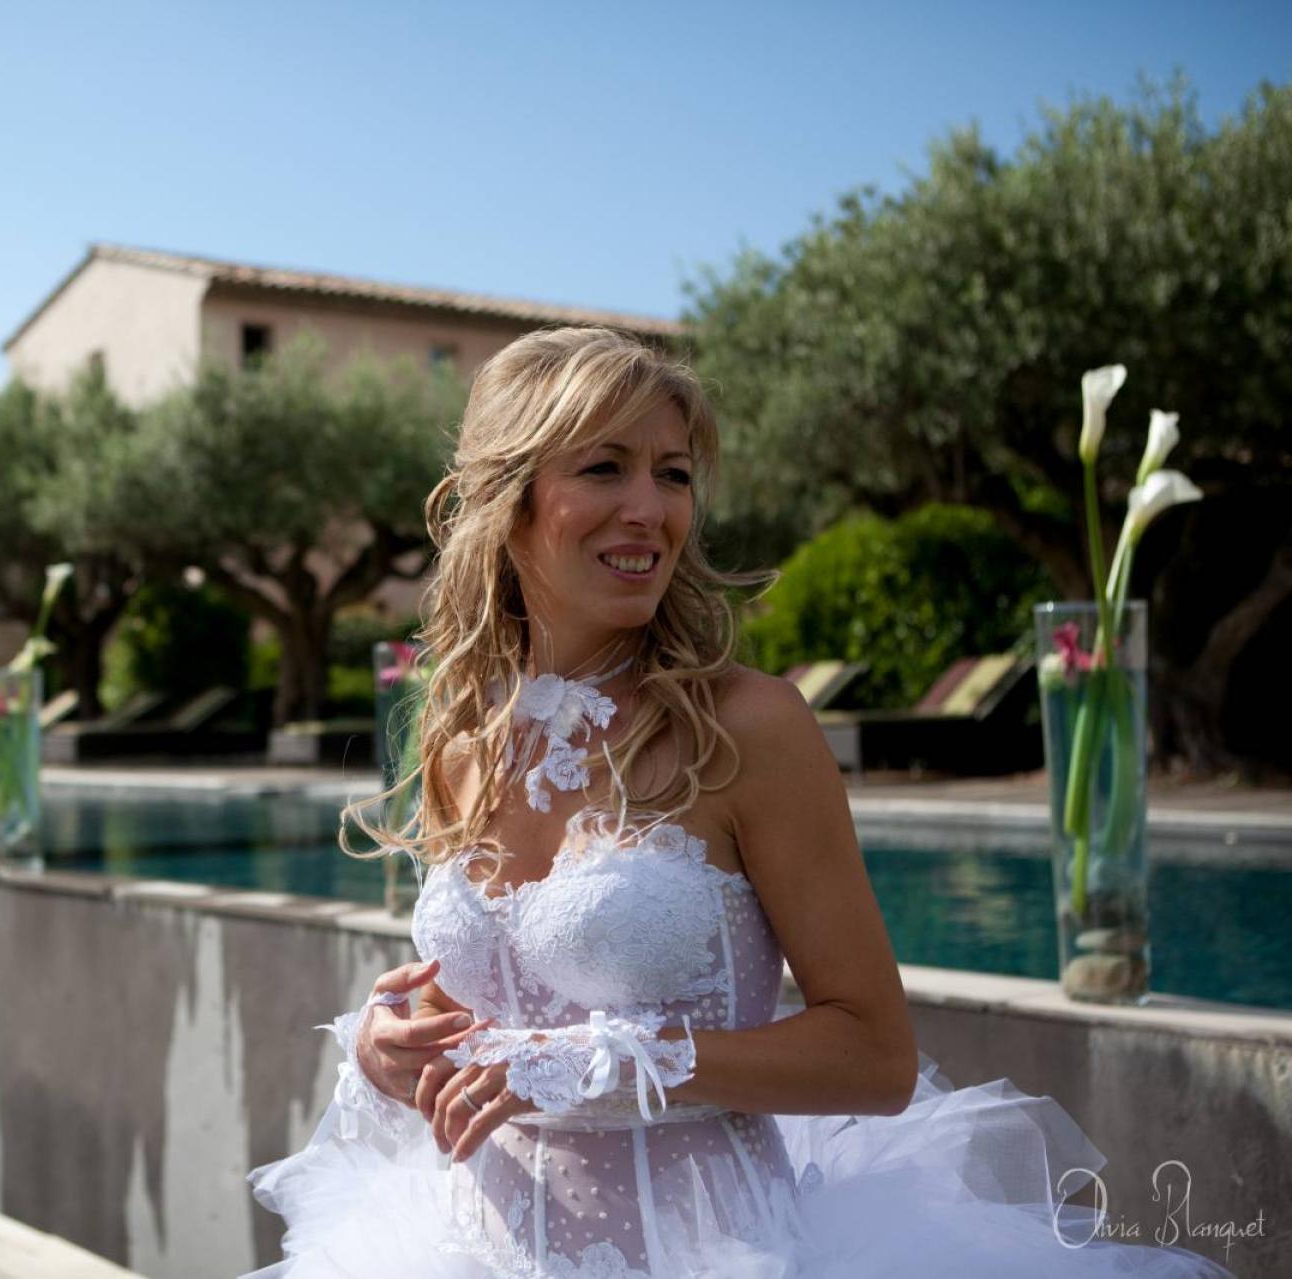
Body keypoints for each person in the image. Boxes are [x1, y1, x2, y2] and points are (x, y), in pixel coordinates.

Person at [245, 328, 1230, 1277]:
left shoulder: (751, 727)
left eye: (673, 474)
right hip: (458, 1247)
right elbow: (494, 1000)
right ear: (509, 498)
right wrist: (392, 1044)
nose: (650, 508)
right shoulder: (460, 733)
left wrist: (612, 1062)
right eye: (606, 467)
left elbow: (875, 1056)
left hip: (717, 1254)